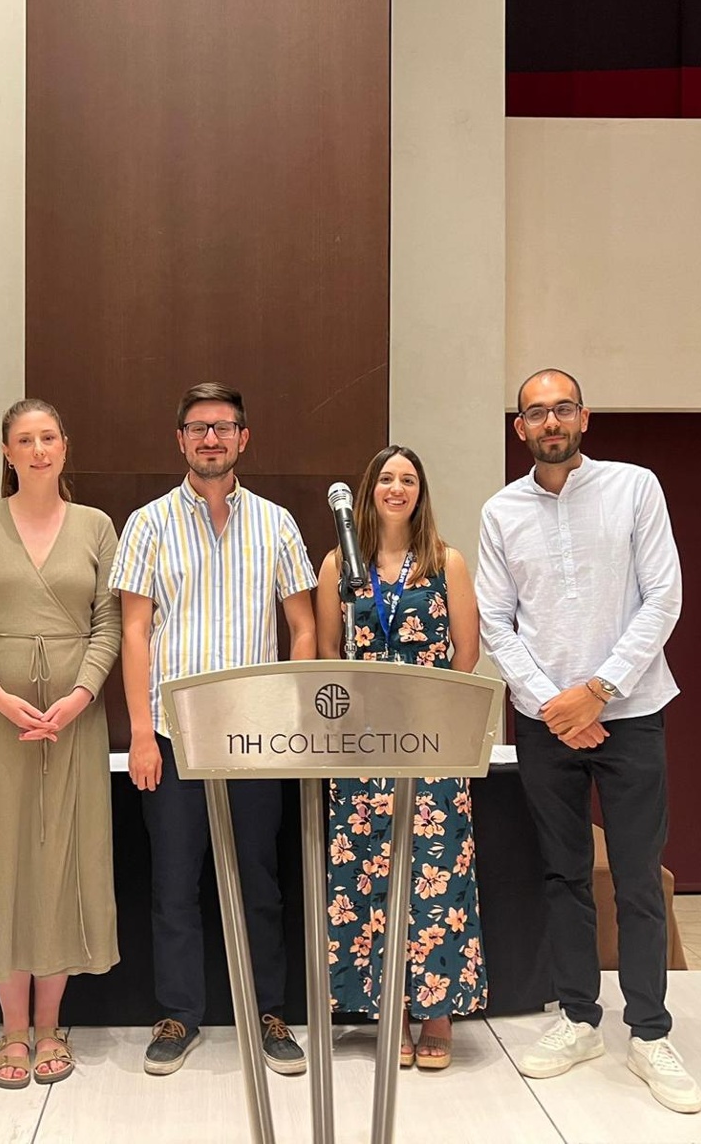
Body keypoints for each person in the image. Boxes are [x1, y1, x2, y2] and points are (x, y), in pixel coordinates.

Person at [476, 369, 699, 1114]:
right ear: (519, 428)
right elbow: (495, 622)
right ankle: (577, 1017)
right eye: (535, 412)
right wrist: (551, 704)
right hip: (545, 723)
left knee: (635, 875)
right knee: (563, 873)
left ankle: (649, 1031)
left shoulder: (635, 488)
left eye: (561, 408)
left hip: (630, 710)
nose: (549, 421)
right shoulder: (501, 511)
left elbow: (662, 595)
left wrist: (596, 689)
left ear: (584, 417)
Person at [110, 382, 318, 1077]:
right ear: (179, 439)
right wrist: (140, 731)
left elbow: (303, 627)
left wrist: (292, 720)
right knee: (174, 882)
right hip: (173, 735)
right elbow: (133, 631)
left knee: (258, 879)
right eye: (197, 428)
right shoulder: (147, 523)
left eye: (222, 427)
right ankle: (178, 1013)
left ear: (243, 438)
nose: (210, 439)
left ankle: (267, 1011)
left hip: (258, 739)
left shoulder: (277, 523)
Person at [0, 398, 121, 1089]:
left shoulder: (96, 525)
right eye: (25, 438)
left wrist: (78, 697)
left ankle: (51, 1025)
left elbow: (110, 619)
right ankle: (11, 1029)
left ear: (64, 446)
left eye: (48, 436)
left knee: (62, 858)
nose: (38, 449)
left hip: (74, 720)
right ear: (6, 450)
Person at [313, 445, 487, 1070]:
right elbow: (329, 657)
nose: (396, 488)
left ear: (421, 491)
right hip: (361, 752)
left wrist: (428, 716)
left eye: (408, 479)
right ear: (368, 489)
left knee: (434, 882)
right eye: (385, 478)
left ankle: (435, 1015)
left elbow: (466, 654)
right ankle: (385, 1009)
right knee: (367, 879)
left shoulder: (448, 563)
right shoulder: (339, 564)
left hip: (429, 748)